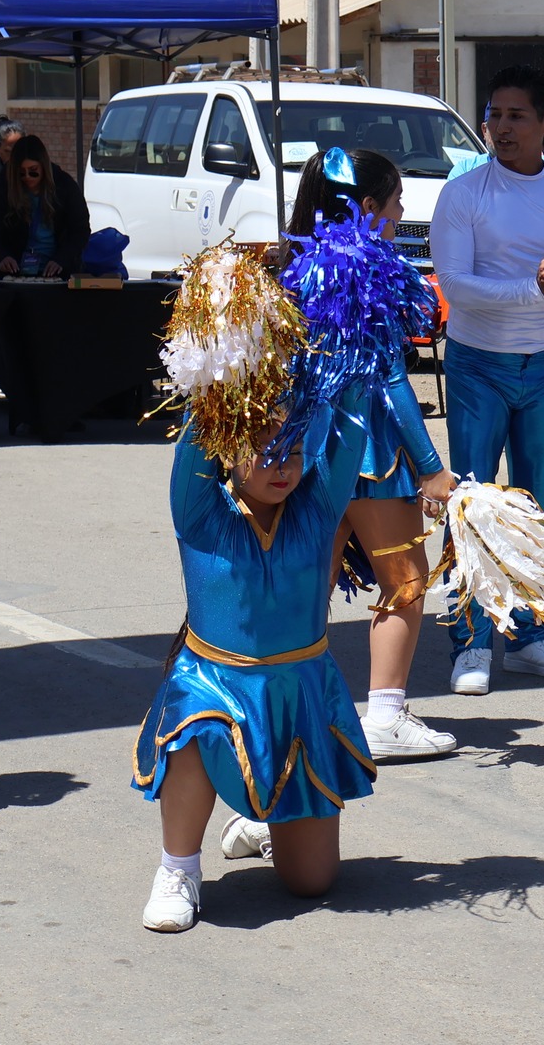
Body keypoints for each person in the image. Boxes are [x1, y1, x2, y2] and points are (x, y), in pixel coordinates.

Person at [134, 395, 379, 933]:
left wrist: (357, 341)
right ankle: (178, 869)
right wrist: (224, 365)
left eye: (293, 452)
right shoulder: (199, 511)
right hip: (212, 682)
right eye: (266, 452)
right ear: (229, 448)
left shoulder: (317, 509)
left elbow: (351, 428)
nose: (283, 465)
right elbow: (201, 424)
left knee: (311, 883)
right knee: (193, 720)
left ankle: (257, 818)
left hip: (300, 693)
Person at [429, 64, 544, 695]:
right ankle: (470, 643)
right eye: (493, 115)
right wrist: (536, 287)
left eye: (515, 116)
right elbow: (455, 285)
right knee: (471, 504)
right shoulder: (464, 193)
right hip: (477, 365)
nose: (500, 127)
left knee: (539, 506)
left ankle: (529, 633)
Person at [284, 147, 461, 761]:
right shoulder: (366, 269)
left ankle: (292, 708)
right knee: (405, 582)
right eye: (395, 201)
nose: (402, 209)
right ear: (367, 208)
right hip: (372, 458)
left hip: (308, 458)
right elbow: (387, 379)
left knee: (309, 589)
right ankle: (384, 713)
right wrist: (429, 465)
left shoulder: (302, 265)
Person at [0, 134, 90, 278]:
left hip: (58, 272)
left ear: (44, 167)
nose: (27, 177)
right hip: (13, 273)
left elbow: (80, 231)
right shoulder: (5, 189)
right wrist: (1, 257)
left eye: (33, 171)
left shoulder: (65, 186)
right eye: (21, 173)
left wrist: (62, 259)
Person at [453, 96, 544, 197]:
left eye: (514, 120)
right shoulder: (464, 170)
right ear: (484, 130)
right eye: (495, 120)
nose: (502, 130)